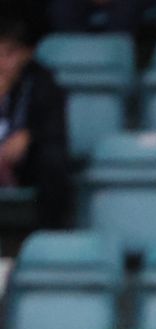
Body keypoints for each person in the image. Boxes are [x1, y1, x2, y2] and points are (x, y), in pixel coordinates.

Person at [0, 16, 72, 232]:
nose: (1, 62)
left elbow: (55, 129)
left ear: (26, 54)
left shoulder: (44, 82)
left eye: (9, 54)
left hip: (26, 164)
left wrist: (30, 135)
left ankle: (51, 232)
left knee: (53, 159)